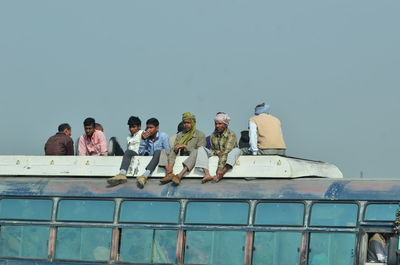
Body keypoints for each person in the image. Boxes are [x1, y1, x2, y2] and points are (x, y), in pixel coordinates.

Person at [178, 112, 241, 183]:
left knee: (236, 150)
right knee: (201, 149)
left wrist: (219, 171)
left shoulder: (231, 135)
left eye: (220, 124)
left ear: (225, 124)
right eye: (216, 124)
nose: (217, 126)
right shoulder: (213, 135)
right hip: (217, 154)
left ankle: (223, 172)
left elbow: (225, 153)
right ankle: (207, 174)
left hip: (227, 158)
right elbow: (212, 150)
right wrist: (216, 152)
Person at [158, 112, 206, 185]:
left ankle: (179, 176)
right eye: (184, 123)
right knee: (164, 151)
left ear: (193, 123)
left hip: (192, 158)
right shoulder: (180, 135)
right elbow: (174, 150)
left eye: (188, 123)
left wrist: (185, 146)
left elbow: (201, 151)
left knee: (197, 151)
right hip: (180, 156)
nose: (186, 125)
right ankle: (169, 173)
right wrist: (170, 165)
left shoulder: (200, 135)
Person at [107, 116, 144, 186]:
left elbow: (146, 136)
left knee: (128, 151)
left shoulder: (141, 133)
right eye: (130, 127)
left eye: (134, 127)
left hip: (136, 154)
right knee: (114, 140)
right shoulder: (128, 137)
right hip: (128, 154)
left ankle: (122, 174)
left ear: (139, 127)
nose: (131, 129)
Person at [136, 118, 170, 188]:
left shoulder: (163, 136)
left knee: (158, 151)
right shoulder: (146, 138)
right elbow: (140, 154)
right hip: (150, 162)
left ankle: (145, 176)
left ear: (157, 128)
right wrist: (143, 140)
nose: (148, 130)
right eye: (147, 127)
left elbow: (167, 152)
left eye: (151, 128)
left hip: (161, 163)